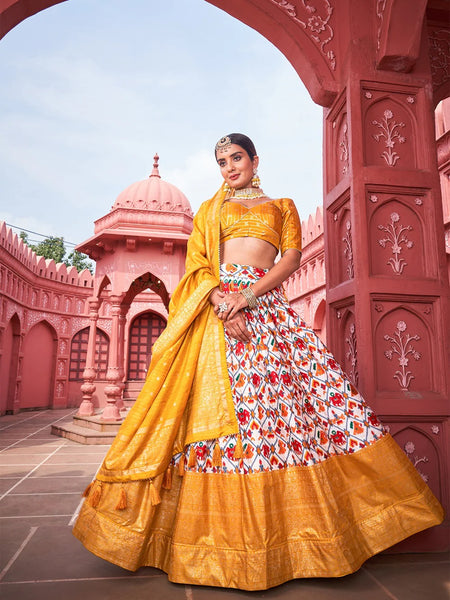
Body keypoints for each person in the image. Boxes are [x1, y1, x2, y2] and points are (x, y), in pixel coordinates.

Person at [73, 133, 444, 591]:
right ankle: (214, 545)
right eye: (222, 161)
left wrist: (247, 297)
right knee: (229, 426)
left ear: (254, 159)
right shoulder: (211, 211)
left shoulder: (282, 206)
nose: (229, 167)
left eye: (236, 158)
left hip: (267, 310)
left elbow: (290, 259)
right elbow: (199, 263)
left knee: (292, 418)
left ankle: (302, 542)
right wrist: (223, 304)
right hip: (217, 313)